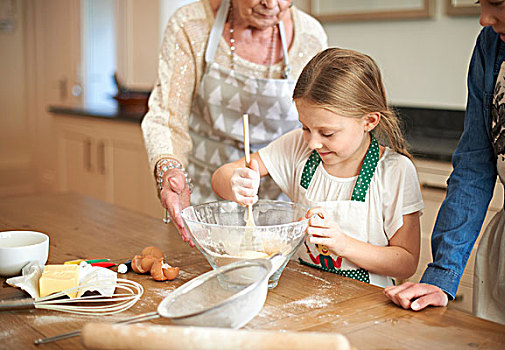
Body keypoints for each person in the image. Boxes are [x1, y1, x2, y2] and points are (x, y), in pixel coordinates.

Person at [211, 48, 424, 287]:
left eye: (327, 133)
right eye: (305, 128)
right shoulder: (296, 148)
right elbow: (221, 176)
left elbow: (406, 262)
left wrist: (343, 245)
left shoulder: (395, 172)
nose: (313, 143)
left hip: (367, 310)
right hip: (303, 294)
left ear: (369, 121)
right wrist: (235, 184)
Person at [383, 0, 505, 347]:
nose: (483, 18)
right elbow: (475, 167)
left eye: (497, 2)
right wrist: (442, 273)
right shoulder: (492, 47)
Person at [141, 0, 327, 246]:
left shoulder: (310, 36)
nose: (270, 4)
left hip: (281, 206)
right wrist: (169, 170)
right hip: (203, 203)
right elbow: (166, 115)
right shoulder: (192, 25)